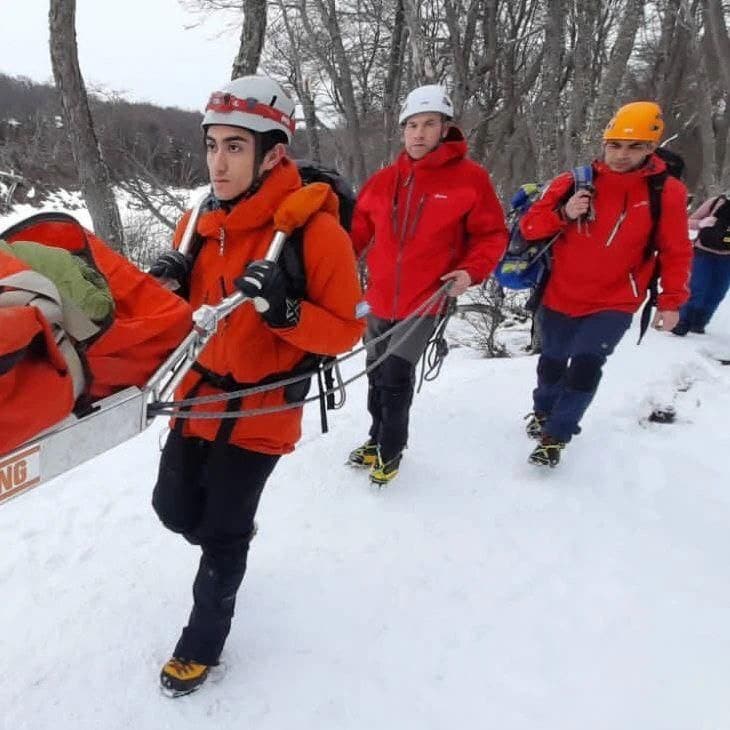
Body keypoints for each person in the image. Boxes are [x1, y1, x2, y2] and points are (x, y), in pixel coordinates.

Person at [148, 74, 364, 696]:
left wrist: (285, 311)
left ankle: (201, 643)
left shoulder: (316, 234)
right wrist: (162, 283)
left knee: (221, 533)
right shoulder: (197, 222)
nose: (218, 161)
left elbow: (346, 330)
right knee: (173, 509)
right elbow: (182, 314)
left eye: (235, 147)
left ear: (273, 153)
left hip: (264, 407)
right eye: (212, 144)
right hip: (198, 396)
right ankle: (226, 534)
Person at [346, 84, 508, 485]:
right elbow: (355, 233)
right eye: (412, 125)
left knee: (396, 376)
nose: (418, 134)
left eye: (429, 124)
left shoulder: (470, 179)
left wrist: (470, 272)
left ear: (445, 128)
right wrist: (331, 267)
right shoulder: (384, 181)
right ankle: (374, 436)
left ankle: (390, 449)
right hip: (377, 298)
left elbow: (491, 236)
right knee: (373, 371)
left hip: (425, 299)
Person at [520, 101, 692, 467]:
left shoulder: (667, 192)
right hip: (560, 293)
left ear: (651, 148)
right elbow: (530, 228)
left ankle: (558, 435)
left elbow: (676, 250)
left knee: (586, 364)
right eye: (614, 145)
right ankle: (542, 411)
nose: (621, 155)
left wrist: (671, 301)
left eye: (634, 147)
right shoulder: (574, 181)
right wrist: (564, 214)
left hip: (615, 300)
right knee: (552, 360)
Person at [672, 192, 730, 335]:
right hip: (704, 252)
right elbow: (688, 222)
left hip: (727, 258)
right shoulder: (716, 202)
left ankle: (700, 322)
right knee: (697, 287)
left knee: (717, 292)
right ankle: (682, 321)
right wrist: (702, 223)